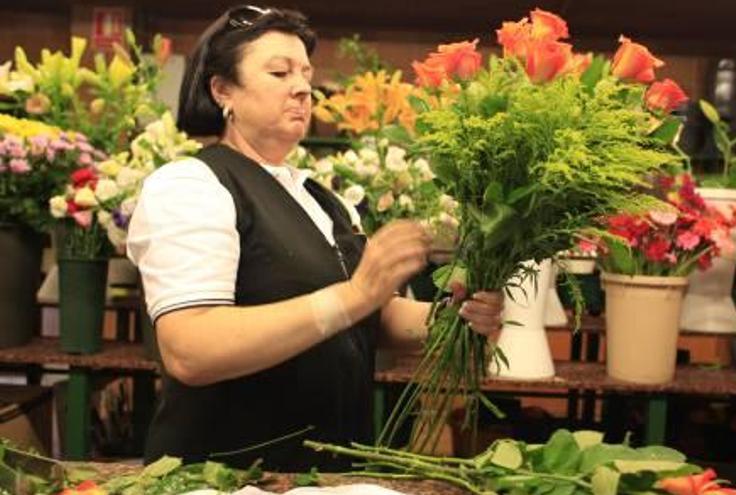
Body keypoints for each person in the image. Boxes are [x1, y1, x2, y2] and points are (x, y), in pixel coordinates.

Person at [127, 5, 504, 472]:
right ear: (222, 90)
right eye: (279, 72)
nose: (303, 87)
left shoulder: (323, 200)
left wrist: (455, 319)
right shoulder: (192, 185)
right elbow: (190, 349)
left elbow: (373, 315)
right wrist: (353, 295)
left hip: (325, 473)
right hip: (225, 475)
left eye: (306, 72)